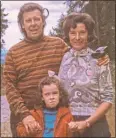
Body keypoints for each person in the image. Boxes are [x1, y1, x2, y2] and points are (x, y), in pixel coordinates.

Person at [3, 2, 109, 137]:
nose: (33, 23)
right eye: (28, 20)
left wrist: (99, 58)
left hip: (53, 115)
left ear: (43, 21)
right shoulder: (13, 52)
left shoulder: (58, 45)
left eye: (37, 19)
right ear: (22, 25)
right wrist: (25, 115)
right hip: (25, 117)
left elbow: (79, 54)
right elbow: (10, 88)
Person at [58, 12, 113, 137]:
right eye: (73, 33)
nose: (77, 37)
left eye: (82, 32)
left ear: (89, 34)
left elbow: (108, 98)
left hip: (95, 126)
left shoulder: (99, 59)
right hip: (69, 124)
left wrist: (87, 123)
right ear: (67, 34)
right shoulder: (64, 57)